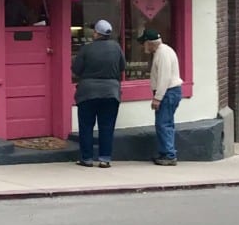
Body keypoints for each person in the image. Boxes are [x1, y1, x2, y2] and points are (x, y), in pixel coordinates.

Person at [71, 19, 126, 168]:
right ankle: (105, 158)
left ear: (96, 33)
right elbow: (123, 66)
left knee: (86, 126)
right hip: (111, 92)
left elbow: (76, 69)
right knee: (107, 126)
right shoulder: (116, 47)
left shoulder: (86, 49)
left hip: (88, 92)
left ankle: (87, 158)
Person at [137, 28, 182, 166]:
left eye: (144, 43)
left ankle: (169, 154)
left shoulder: (162, 54)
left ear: (150, 43)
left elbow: (164, 78)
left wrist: (158, 97)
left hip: (168, 92)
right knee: (165, 123)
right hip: (170, 92)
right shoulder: (163, 51)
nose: (143, 46)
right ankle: (165, 152)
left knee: (164, 124)